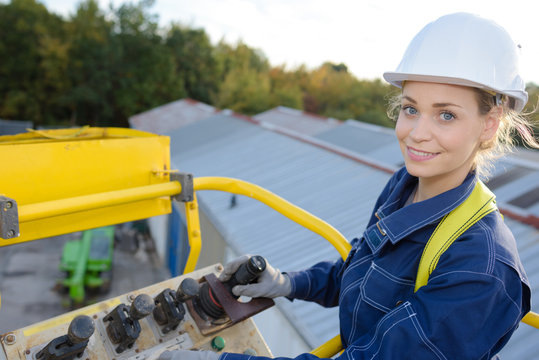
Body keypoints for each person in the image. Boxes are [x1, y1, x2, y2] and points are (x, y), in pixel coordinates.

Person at [157, 12, 537, 360]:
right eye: (410, 109)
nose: (416, 134)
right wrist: (287, 283)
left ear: (489, 123)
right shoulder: (404, 186)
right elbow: (361, 272)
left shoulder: (481, 271)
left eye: (446, 115)